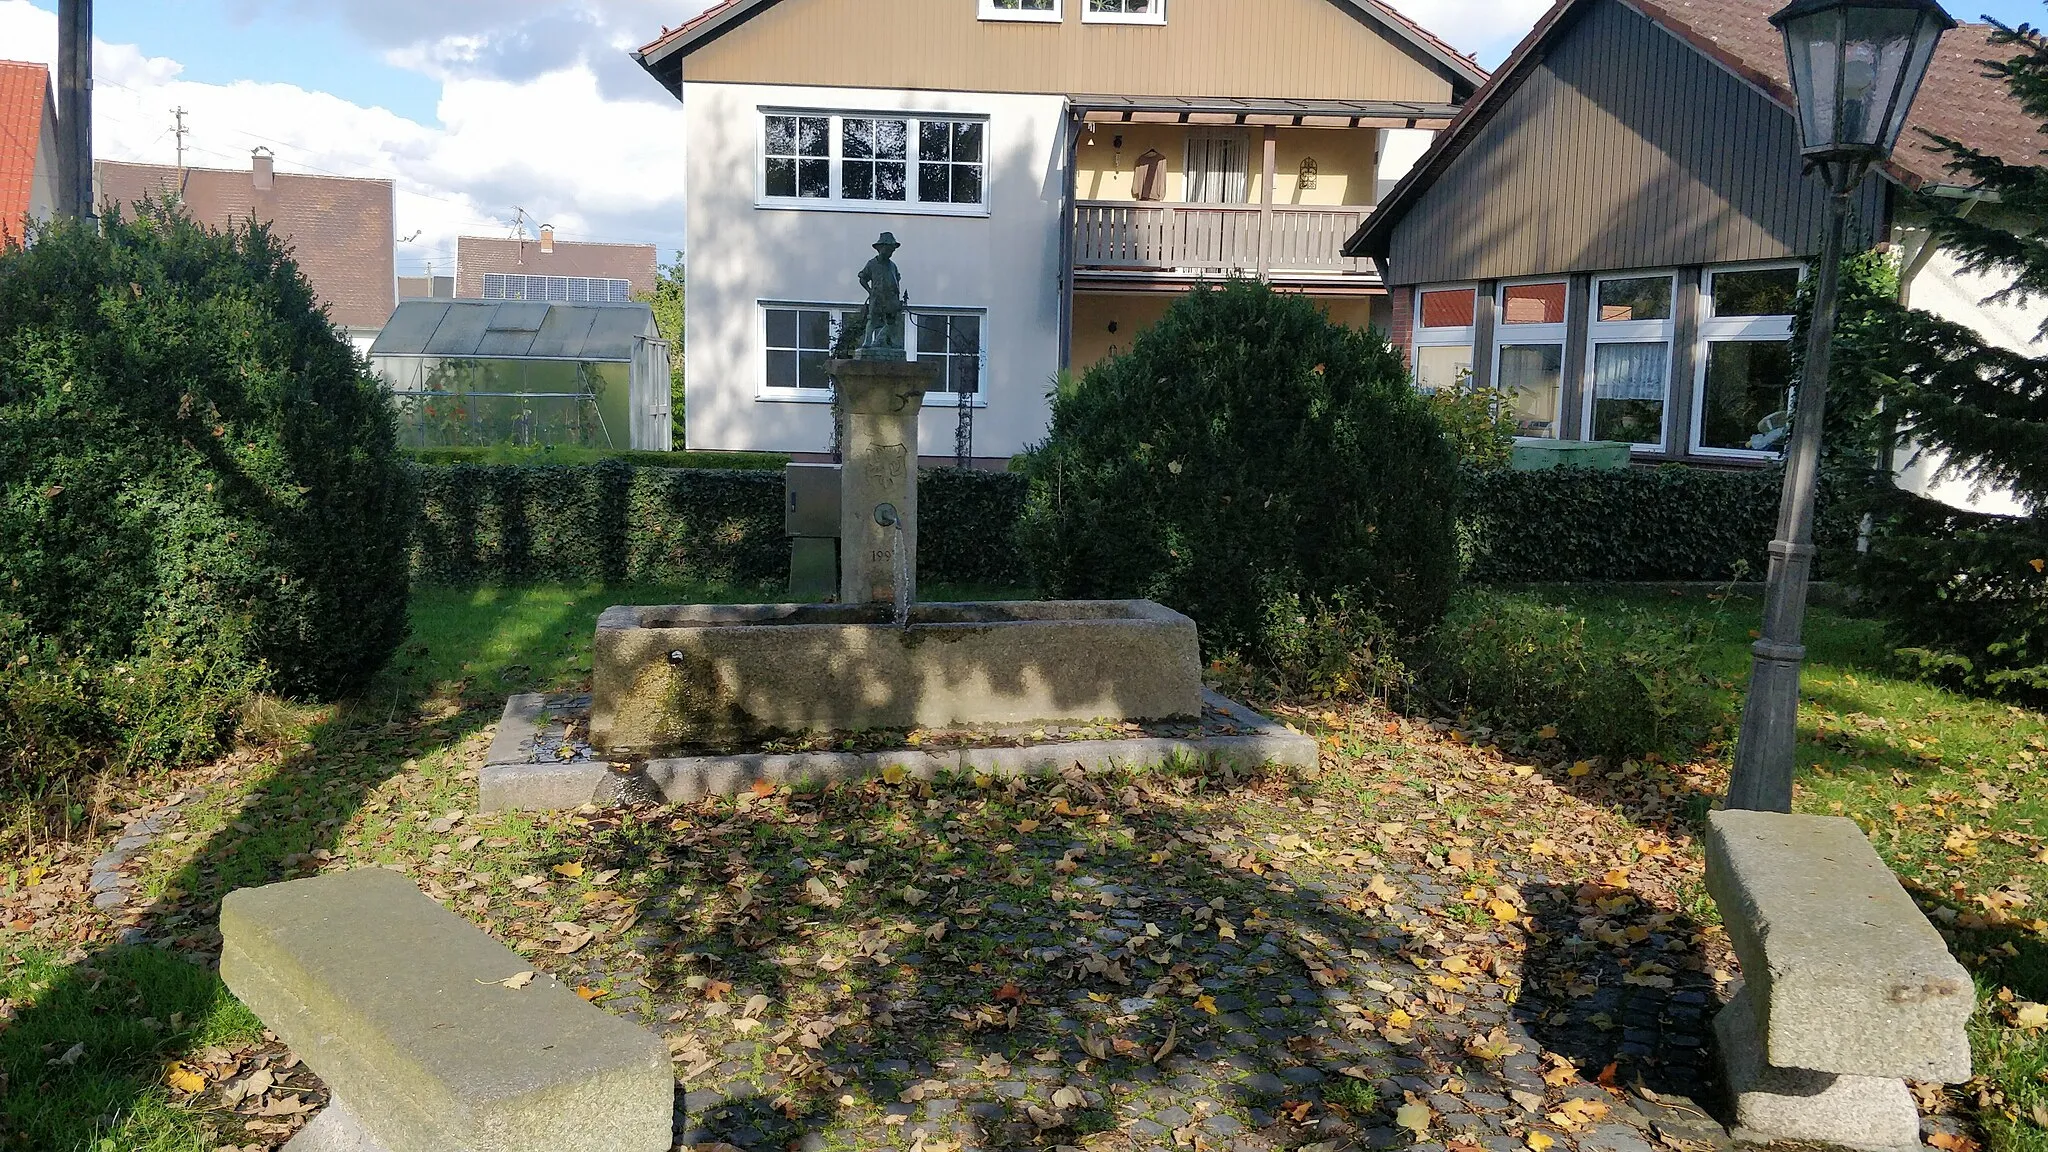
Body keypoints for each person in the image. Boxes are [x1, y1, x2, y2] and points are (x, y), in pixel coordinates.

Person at [857, 232, 907, 359]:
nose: (890, 252)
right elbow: (863, 278)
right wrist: (870, 291)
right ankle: (867, 342)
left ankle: (882, 341)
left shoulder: (893, 266)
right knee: (873, 320)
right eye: (888, 249)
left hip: (891, 299)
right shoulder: (872, 264)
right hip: (877, 298)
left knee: (891, 322)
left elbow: (897, 279)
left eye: (892, 250)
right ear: (881, 248)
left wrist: (897, 298)